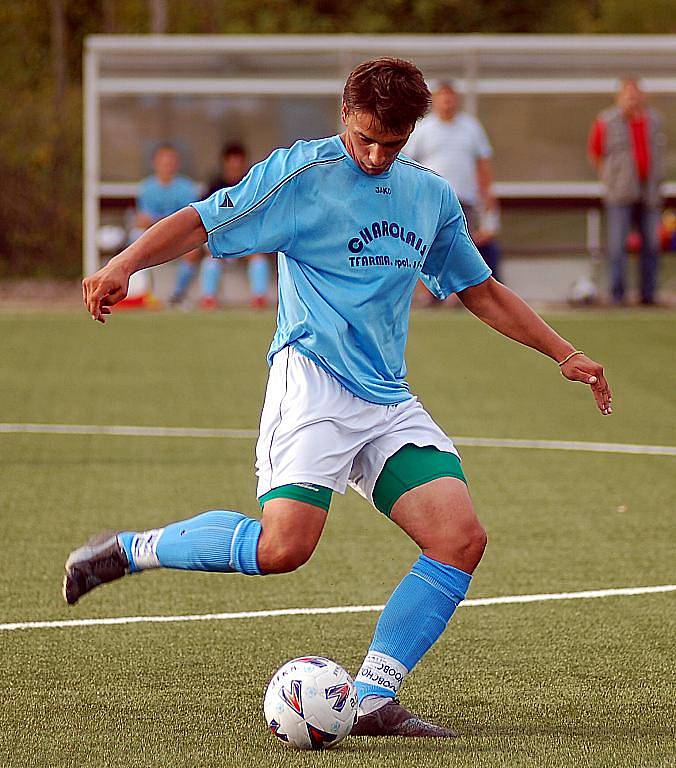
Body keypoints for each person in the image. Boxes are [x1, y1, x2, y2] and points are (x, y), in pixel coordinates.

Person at [65, 58, 612, 739]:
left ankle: (377, 696)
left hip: (386, 395)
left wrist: (565, 352)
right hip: (313, 380)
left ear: (414, 130)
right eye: (363, 138)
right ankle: (126, 548)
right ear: (342, 116)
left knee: (458, 538)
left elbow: (479, 289)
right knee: (283, 549)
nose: (376, 155)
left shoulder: (430, 196)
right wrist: (123, 264)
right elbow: (202, 222)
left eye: (392, 141)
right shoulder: (300, 174)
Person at [588, 78, 667, 306]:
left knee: (651, 244)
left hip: (649, 193)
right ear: (619, 96)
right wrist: (610, 179)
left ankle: (648, 295)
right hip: (620, 194)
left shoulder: (654, 121)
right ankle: (617, 295)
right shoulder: (606, 121)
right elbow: (595, 153)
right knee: (617, 246)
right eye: (627, 94)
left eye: (636, 94)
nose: (632, 99)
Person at [201, 142, 273, 309]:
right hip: (222, 238)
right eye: (231, 163)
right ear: (225, 164)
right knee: (211, 260)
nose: (235, 167)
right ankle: (208, 298)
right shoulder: (215, 186)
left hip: (248, 239)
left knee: (258, 258)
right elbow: (204, 215)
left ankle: (259, 298)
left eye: (238, 163)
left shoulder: (252, 183)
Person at [134, 144, 201, 305]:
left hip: (180, 236)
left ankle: (177, 294)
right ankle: (145, 294)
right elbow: (143, 220)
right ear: (155, 164)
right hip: (152, 234)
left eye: (171, 162)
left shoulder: (186, 188)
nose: (167, 166)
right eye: (163, 162)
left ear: (177, 164)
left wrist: (161, 222)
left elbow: (190, 219)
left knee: (193, 251)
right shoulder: (146, 188)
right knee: (136, 246)